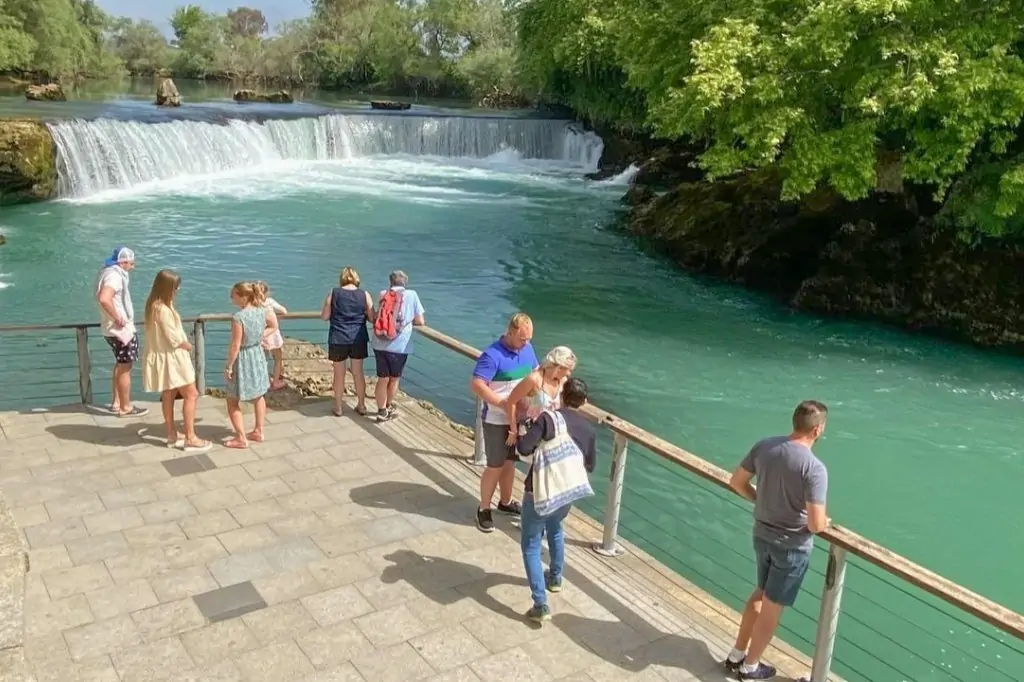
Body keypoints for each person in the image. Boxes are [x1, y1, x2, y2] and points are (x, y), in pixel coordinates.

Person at [725, 401, 831, 681]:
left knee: (760, 592)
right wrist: (826, 523)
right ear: (818, 429)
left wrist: (761, 499)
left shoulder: (766, 447)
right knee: (772, 607)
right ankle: (751, 666)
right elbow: (816, 524)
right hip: (791, 547)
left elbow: (736, 482)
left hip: (761, 534)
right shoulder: (814, 468)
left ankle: (737, 654)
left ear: (794, 422)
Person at [516, 376, 595, 623]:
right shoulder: (589, 430)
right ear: (584, 402)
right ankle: (555, 578)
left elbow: (524, 449)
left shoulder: (548, 419)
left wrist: (524, 428)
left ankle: (540, 604)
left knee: (531, 544)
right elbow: (590, 465)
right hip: (566, 491)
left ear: (561, 396)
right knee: (556, 531)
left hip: (540, 490)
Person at [469, 312, 537, 532]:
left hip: (519, 420)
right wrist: (501, 402)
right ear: (510, 332)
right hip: (496, 420)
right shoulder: (491, 355)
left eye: (528, 339)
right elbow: (478, 385)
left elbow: (535, 373)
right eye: (522, 338)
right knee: (495, 465)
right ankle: (484, 508)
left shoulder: (528, 349)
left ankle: (505, 501)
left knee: (509, 463)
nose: (525, 343)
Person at [141, 270, 210, 452]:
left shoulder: (153, 305)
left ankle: (171, 434)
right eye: (175, 287)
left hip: (162, 357)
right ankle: (191, 437)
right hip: (174, 358)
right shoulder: (163, 310)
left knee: (168, 394)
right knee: (191, 394)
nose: (177, 290)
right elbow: (173, 339)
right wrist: (186, 344)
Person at [95, 246, 148, 417]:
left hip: (109, 329)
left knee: (120, 364)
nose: (133, 267)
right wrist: (117, 317)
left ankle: (116, 403)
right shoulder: (115, 276)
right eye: (131, 264)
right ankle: (126, 406)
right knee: (125, 367)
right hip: (120, 330)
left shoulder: (106, 272)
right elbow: (104, 298)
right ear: (123, 262)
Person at [222, 281, 276, 449]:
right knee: (258, 396)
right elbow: (274, 326)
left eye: (234, 294)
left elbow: (236, 345)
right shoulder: (263, 311)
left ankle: (240, 438)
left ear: (243, 297)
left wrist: (229, 366)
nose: (232, 297)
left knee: (232, 400)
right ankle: (258, 431)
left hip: (243, 358)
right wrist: (259, 337)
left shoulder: (239, 317)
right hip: (257, 354)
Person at [370, 270, 425, 423]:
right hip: (398, 346)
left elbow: (377, 316)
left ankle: (381, 411)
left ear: (390, 282)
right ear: (405, 283)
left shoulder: (383, 294)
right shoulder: (412, 295)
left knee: (382, 379)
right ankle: (388, 406)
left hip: (379, 342)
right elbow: (420, 321)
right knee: (394, 379)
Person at [321, 266, 374, 417]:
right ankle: (362, 405)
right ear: (356, 279)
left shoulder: (334, 292)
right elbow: (372, 317)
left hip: (338, 337)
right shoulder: (364, 294)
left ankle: (338, 407)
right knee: (358, 373)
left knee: (339, 374)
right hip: (358, 337)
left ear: (342, 278)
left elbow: (325, 316)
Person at [503, 345, 577, 446]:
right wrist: (513, 431)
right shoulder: (534, 379)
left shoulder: (563, 381)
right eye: (568, 369)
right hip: (530, 432)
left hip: (551, 434)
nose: (569, 373)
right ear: (559, 367)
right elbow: (511, 401)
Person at [255, 281, 288, 391]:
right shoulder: (269, 302)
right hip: (272, 335)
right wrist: (276, 317)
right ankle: (276, 381)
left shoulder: (253, 304)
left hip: (260, 335)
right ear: (267, 292)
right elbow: (284, 311)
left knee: (262, 360)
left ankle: (263, 381)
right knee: (278, 358)